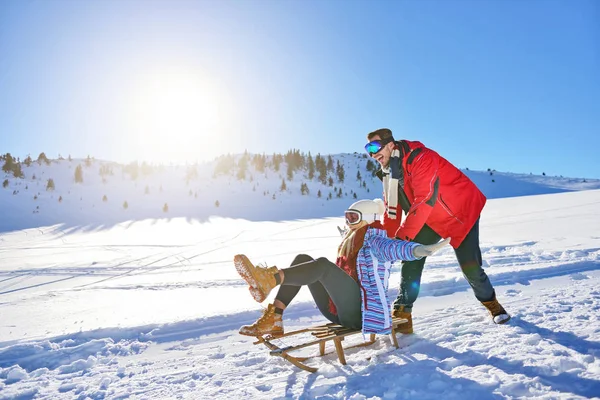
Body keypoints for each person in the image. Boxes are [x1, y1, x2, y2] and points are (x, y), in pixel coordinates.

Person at [364, 128, 510, 333]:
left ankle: (492, 304)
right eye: (367, 149)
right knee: (411, 256)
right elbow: (392, 212)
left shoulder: (422, 157)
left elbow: (425, 198)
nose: (372, 154)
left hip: (460, 213)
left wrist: (402, 237)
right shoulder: (389, 173)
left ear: (391, 144)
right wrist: (386, 241)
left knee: (471, 267)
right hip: (428, 218)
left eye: (374, 147)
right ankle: (403, 313)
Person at [234, 198, 450, 337]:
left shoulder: (376, 240)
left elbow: (395, 249)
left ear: (367, 219)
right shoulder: (352, 238)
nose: (348, 222)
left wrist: (419, 250)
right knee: (303, 258)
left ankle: (270, 279)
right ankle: (275, 319)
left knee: (323, 266)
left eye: (353, 217)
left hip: (360, 314)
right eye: (347, 217)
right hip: (337, 309)